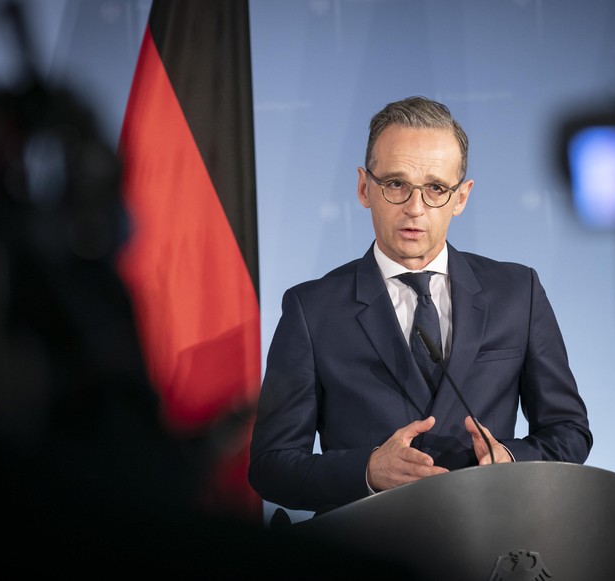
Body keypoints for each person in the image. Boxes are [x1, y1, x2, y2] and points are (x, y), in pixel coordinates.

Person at [249, 96, 592, 513]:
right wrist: (368, 470)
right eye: (395, 184)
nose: (415, 208)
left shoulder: (519, 292)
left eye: (435, 188)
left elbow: (568, 430)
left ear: (461, 197)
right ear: (364, 188)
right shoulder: (311, 309)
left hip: (484, 547)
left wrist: (512, 461)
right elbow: (271, 466)